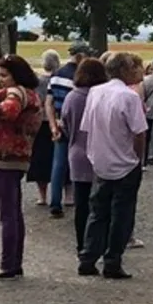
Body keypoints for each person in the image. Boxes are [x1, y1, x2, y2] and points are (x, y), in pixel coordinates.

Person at [77, 53, 147, 279]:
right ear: (125, 70)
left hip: (100, 159)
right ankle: (112, 260)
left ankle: (87, 257)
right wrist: (138, 158)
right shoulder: (130, 97)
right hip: (124, 162)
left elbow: (86, 126)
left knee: (97, 212)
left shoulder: (96, 92)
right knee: (121, 214)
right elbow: (139, 132)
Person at [0, 54, 42, 280]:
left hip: (7, 155)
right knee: (15, 211)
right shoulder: (29, 93)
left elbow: (6, 111)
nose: (0, 80)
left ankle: (7, 264)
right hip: (21, 155)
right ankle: (15, 261)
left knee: (8, 213)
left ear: (16, 75)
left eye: (4, 75)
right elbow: (0, 94)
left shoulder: (15, 94)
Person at [61, 58, 109, 254]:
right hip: (100, 153)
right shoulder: (102, 97)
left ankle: (82, 245)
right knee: (100, 205)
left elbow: (65, 122)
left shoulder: (72, 97)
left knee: (81, 205)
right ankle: (98, 243)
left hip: (77, 153)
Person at [46, 42, 89, 218]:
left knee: (58, 164)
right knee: (80, 165)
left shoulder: (56, 75)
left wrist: (52, 125)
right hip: (78, 126)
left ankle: (55, 203)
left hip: (60, 124)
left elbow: (48, 103)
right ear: (80, 56)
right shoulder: (80, 78)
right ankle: (80, 201)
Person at [26, 50, 60, 205]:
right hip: (57, 122)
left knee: (40, 158)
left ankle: (42, 195)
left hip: (40, 123)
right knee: (58, 158)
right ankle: (66, 194)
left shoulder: (37, 81)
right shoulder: (60, 80)